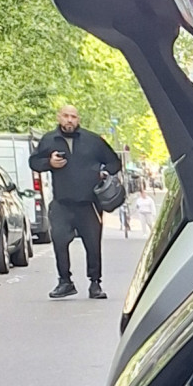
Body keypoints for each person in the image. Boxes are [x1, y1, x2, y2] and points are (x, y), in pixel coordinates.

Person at [30, 106, 121, 301]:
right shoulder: (49, 140)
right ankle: (65, 281)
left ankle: (95, 283)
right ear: (59, 117)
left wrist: (104, 172)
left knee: (93, 244)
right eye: (66, 116)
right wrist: (49, 163)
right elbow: (34, 162)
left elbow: (114, 162)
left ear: (78, 119)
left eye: (73, 116)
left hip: (89, 203)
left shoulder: (93, 140)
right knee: (59, 241)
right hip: (62, 202)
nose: (69, 120)